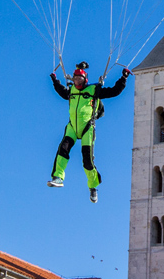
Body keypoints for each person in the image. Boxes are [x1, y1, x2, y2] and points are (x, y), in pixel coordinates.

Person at [47, 62, 131, 203]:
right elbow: (61, 91)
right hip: (73, 127)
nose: (77, 82)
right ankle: (58, 177)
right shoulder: (71, 90)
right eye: (75, 79)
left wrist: (123, 78)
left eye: (79, 79)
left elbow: (114, 91)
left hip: (87, 128)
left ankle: (93, 186)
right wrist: (54, 80)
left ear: (85, 80)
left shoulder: (94, 90)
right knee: (63, 149)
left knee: (87, 161)